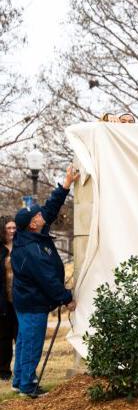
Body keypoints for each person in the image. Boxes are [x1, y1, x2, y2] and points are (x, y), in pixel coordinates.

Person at [11, 165, 79, 397]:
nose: (42, 216)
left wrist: (66, 184)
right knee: (31, 343)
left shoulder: (30, 234)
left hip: (26, 301)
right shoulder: (32, 250)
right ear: (32, 223)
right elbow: (48, 280)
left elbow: (50, 209)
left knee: (23, 341)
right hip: (32, 304)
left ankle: (19, 380)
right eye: (37, 215)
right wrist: (66, 298)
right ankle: (28, 386)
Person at [0, 216, 17, 380]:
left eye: (14, 228)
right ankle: (4, 371)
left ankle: (21, 370)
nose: (12, 231)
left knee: (21, 336)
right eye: (8, 228)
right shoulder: (0, 250)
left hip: (20, 300)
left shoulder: (20, 247)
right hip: (3, 302)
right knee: (4, 338)